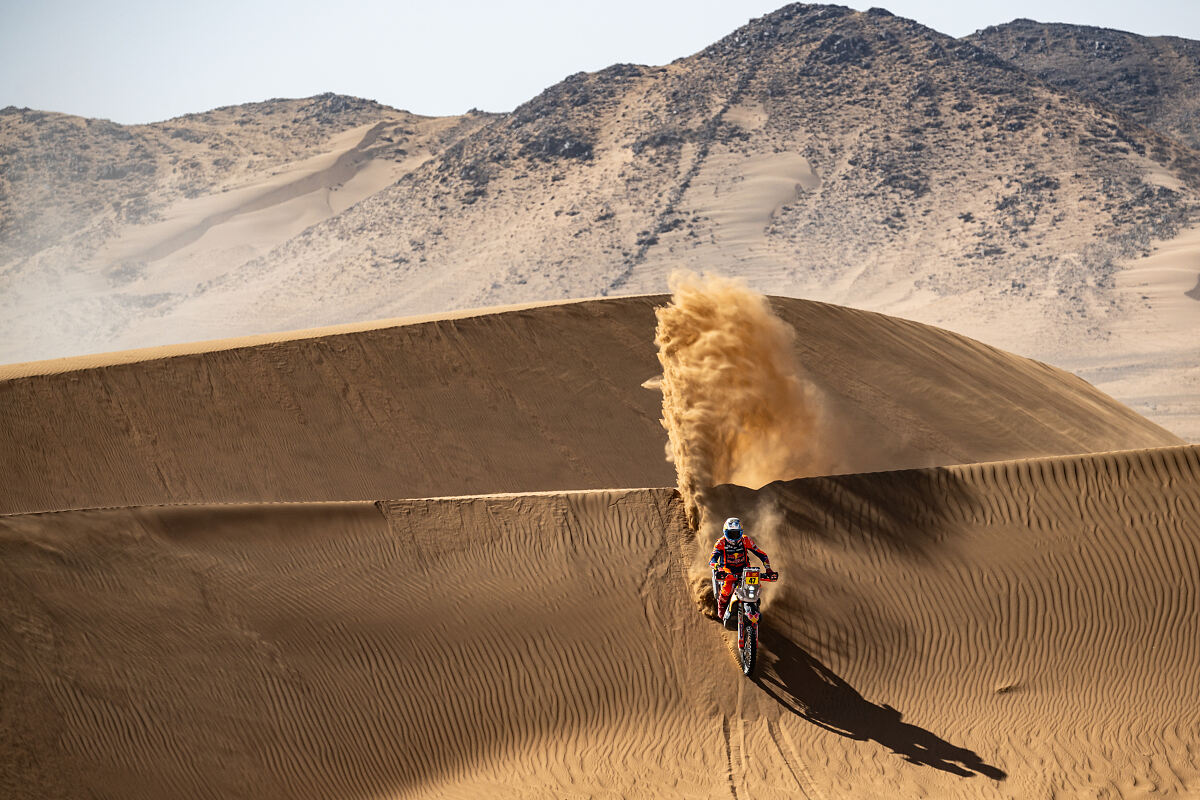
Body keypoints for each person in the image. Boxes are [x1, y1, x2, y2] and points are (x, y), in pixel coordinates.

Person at [709, 517, 775, 622]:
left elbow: (762, 555)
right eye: (731, 534)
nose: (734, 537)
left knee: (756, 587)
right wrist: (718, 567)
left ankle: (754, 606)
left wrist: (768, 569)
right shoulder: (720, 543)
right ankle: (721, 612)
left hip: (745, 570)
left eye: (736, 534)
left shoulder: (746, 540)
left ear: (741, 532)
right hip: (728, 571)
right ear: (725, 532)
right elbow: (712, 560)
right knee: (727, 589)